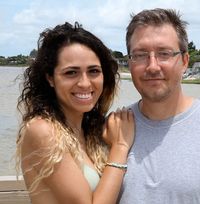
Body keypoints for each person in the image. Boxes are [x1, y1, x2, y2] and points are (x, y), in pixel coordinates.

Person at [118, 8, 200, 204]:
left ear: (184, 61)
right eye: (140, 55)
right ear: (129, 63)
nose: (153, 66)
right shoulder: (112, 128)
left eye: (164, 53)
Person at [16, 22, 134, 204]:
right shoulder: (43, 131)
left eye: (94, 71)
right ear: (50, 78)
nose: (85, 83)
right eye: (71, 72)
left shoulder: (91, 131)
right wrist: (120, 147)